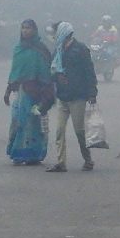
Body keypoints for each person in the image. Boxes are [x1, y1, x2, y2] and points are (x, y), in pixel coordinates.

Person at [47, 22, 98, 173]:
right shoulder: (58, 50)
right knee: (59, 131)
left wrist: (92, 92)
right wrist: (57, 77)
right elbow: (52, 70)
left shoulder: (80, 49)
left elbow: (89, 71)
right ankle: (61, 162)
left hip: (78, 96)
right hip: (63, 95)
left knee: (79, 131)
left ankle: (88, 159)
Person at [4, 19, 54, 165]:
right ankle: (18, 153)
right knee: (19, 121)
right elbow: (15, 71)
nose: (25, 31)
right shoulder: (19, 48)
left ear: (34, 30)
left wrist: (45, 92)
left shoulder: (41, 49)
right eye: (23, 28)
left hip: (36, 91)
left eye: (28, 28)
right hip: (21, 91)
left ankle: (34, 154)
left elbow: (46, 71)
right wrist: (8, 90)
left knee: (34, 123)